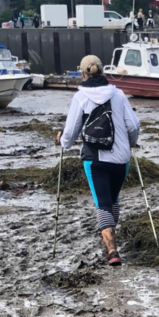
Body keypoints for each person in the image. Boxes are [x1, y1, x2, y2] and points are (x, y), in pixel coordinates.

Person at [58, 55, 140, 267]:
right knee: (113, 200)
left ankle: (112, 251)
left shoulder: (81, 97)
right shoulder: (119, 94)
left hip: (95, 160)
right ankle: (110, 234)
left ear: (83, 74)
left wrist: (62, 141)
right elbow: (133, 126)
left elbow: (70, 133)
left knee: (102, 203)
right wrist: (130, 143)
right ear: (103, 72)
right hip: (121, 159)